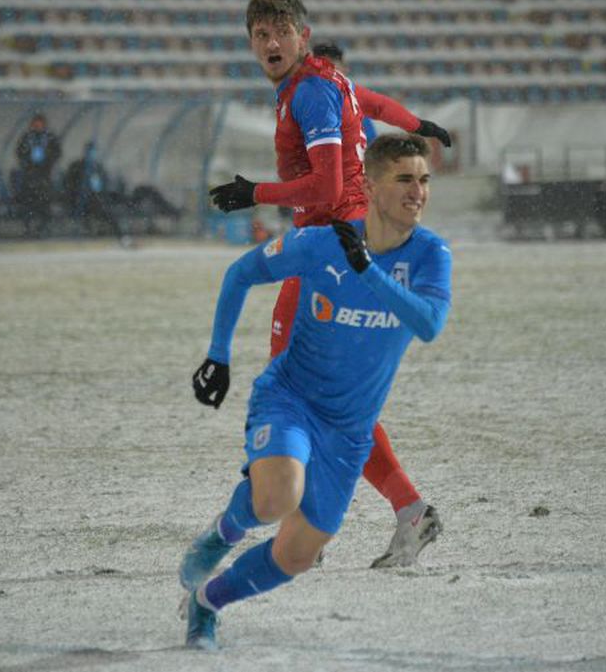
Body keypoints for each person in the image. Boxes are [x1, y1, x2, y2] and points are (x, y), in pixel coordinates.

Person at [181, 133, 452, 650]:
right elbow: (240, 274)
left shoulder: (431, 254)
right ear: (371, 186)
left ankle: (206, 601)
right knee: (277, 495)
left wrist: (367, 273)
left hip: (351, 432)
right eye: (404, 180)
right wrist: (218, 354)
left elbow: (429, 324)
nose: (417, 191)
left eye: (423, 180)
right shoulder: (323, 242)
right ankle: (224, 533)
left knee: (299, 556)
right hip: (291, 400)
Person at [208, 0, 445, 568]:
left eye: (280, 32)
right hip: (353, 242)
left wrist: (253, 193)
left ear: (302, 37)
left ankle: (312, 525)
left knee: (296, 391)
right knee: (330, 400)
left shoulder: (311, 92)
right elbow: (377, 102)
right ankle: (390, 513)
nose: (270, 44)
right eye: (260, 34)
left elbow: (324, 188)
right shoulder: (323, 84)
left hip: (333, 247)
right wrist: (421, 125)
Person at [312, 42, 452, 147]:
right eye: (323, 68)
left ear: (344, 69)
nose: (328, 74)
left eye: (333, 68)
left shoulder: (352, 98)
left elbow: (383, 107)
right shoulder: (299, 94)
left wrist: (422, 127)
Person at [63, 141, 131, 243]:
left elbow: (103, 185)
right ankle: (119, 236)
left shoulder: (98, 167)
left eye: (94, 152)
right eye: (90, 152)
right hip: (82, 200)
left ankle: (121, 236)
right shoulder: (77, 166)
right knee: (104, 209)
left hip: (98, 198)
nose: (92, 155)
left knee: (109, 206)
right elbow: (69, 184)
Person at [14, 112, 61, 238]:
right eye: (35, 124)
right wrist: (28, 163)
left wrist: (47, 160)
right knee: (29, 203)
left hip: (45, 176)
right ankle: (28, 227)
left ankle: (43, 227)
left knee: (44, 203)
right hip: (30, 176)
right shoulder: (27, 138)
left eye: (40, 124)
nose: (38, 126)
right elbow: (19, 153)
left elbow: (57, 153)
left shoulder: (50, 137)